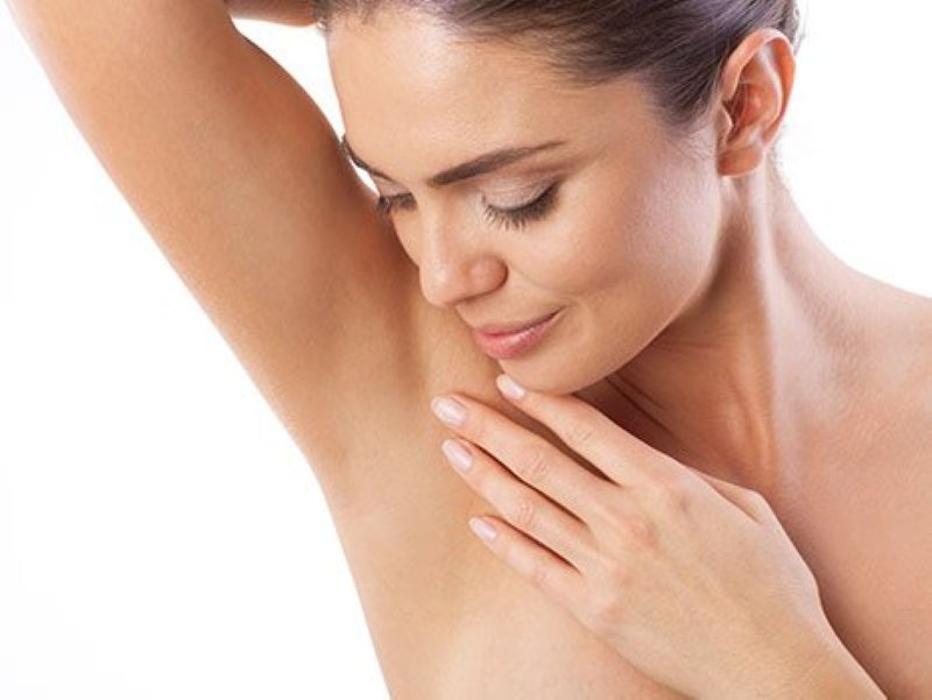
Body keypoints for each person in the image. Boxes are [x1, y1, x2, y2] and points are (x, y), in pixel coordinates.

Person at [7, 0, 930, 696]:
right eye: (395, 198)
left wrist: (774, 666)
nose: (443, 278)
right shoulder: (414, 384)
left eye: (516, 197)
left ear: (746, 105)